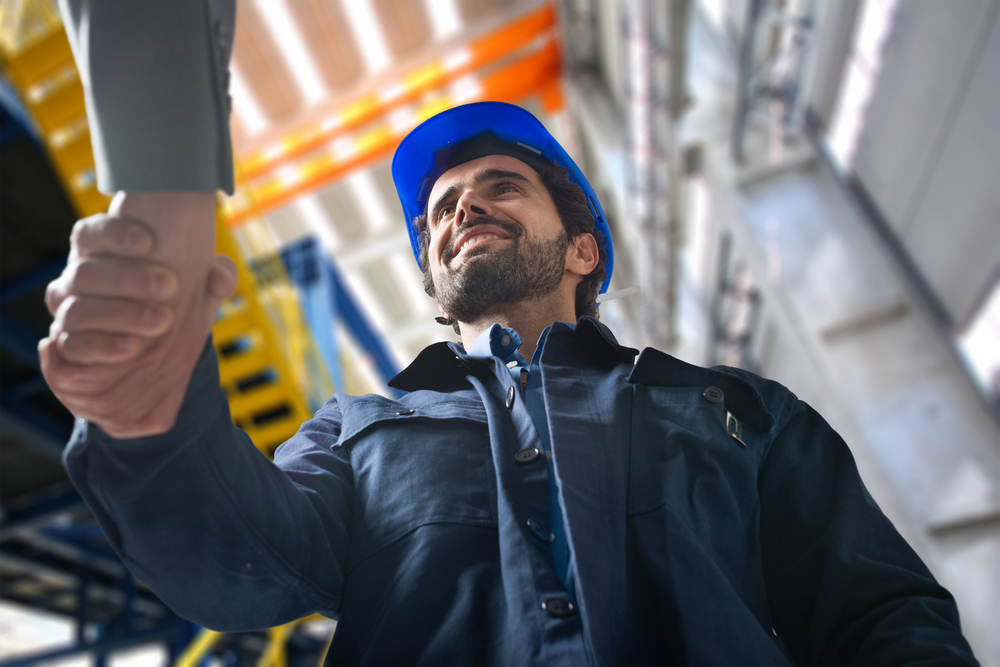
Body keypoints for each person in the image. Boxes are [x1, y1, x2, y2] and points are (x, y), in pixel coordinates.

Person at [41, 4, 978, 666]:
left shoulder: (737, 412)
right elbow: (242, 572)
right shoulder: (355, 433)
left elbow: (878, 613)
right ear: (438, 289)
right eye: (441, 209)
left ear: (581, 250)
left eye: (500, 187)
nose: (461, 209)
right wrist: (151, 417)